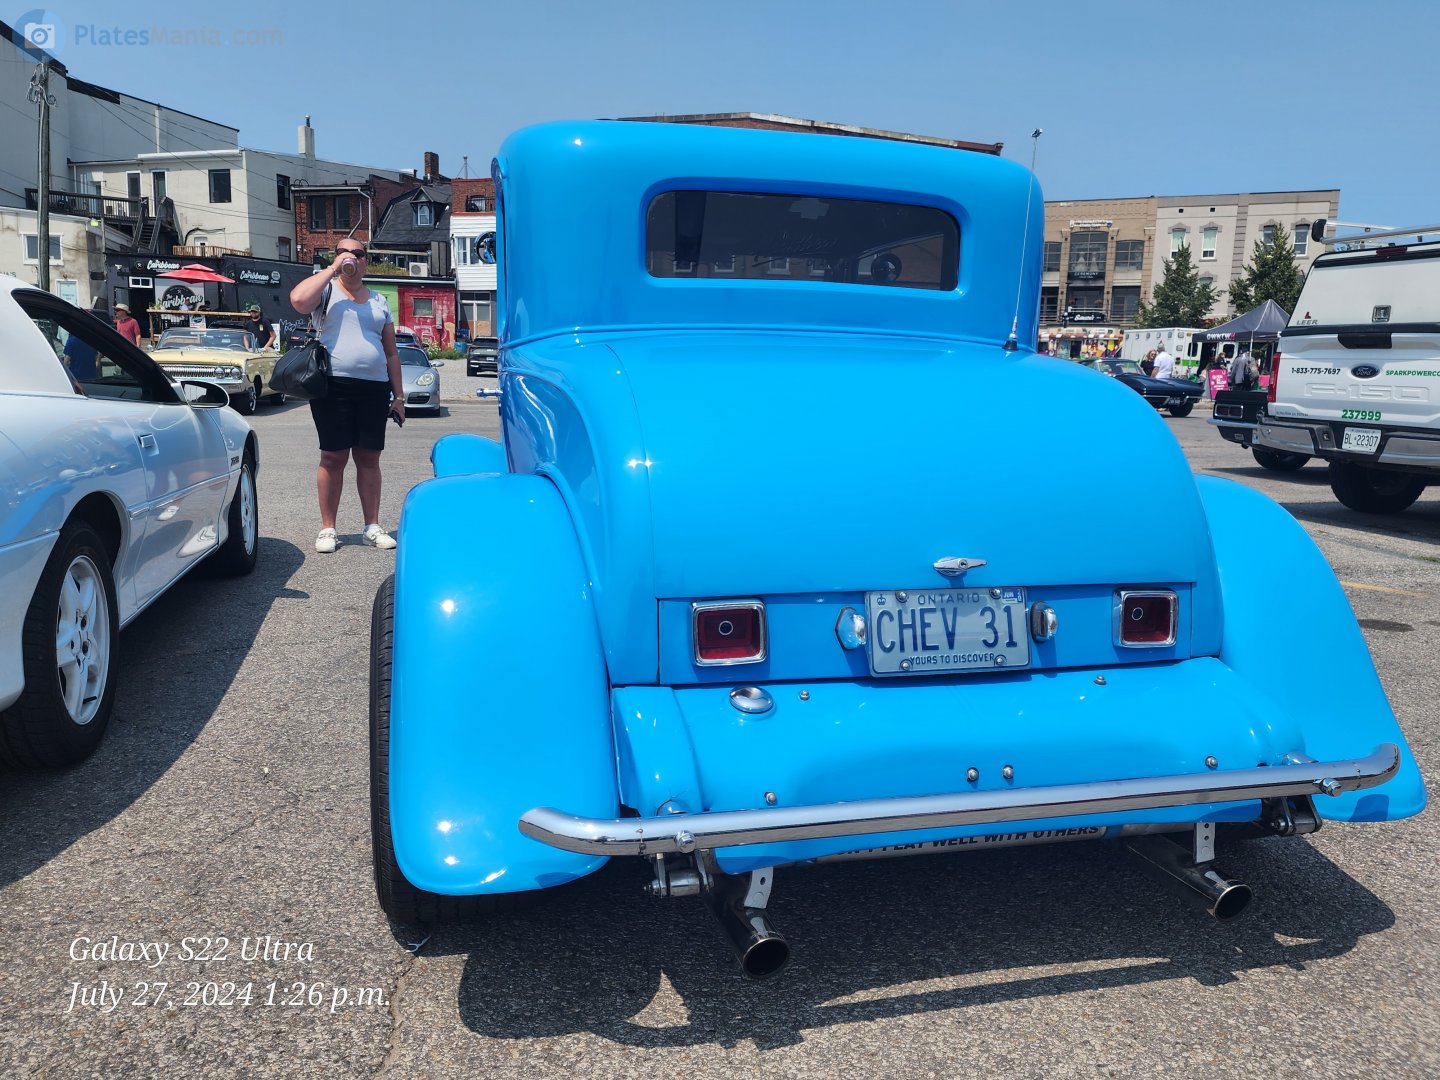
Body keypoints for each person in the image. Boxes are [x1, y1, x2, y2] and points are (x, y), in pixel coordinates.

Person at [289, 240, 404, 553]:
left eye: (358, 254)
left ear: (366, 261)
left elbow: (392, 353)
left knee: (369, 457)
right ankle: (328, 529)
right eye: (343, 252)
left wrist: (399, 396)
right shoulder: (326, 291)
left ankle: (372, 526)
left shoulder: (379, 300)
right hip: (332, 385)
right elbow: (298, 300)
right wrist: (331, 270)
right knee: (333, 456)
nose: (351, 258)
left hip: (373, 387)